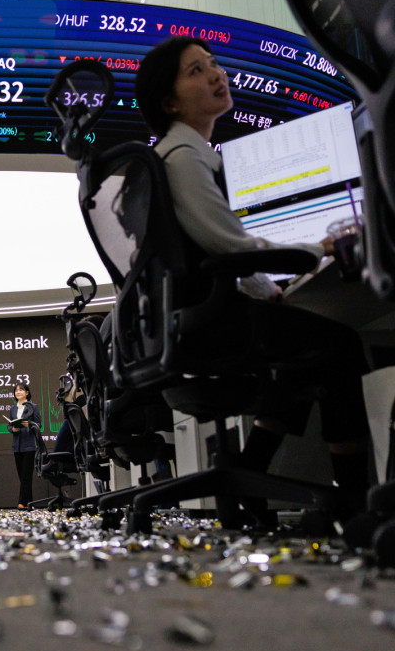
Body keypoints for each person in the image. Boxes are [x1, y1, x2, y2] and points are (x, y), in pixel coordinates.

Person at [135, 35, 372, 517]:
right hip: (212, 325)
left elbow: (216, 253)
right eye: (196, 70)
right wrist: (320, 248)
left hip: (195, 320)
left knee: (304, 358)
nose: (216, 74)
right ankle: (354, 501)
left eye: (213, 63)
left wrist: (267, 289)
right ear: (169, 102)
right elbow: (230, 248)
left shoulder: (181, 156)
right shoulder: (183, 159)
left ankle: (252, 470)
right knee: (342, 346)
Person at [9, 382, 41, 510]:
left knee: (26, 475)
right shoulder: (12, 409)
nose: (18, 392)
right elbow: (9, 425)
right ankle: (30, 503)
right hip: (17, 446)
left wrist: (30, 424)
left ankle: (21, 502)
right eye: (16, 390)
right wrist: (13, 429)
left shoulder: (33, 407)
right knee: (22, 476)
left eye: (21, 390)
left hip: (29, 445)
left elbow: (39, 425)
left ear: (27, 393)